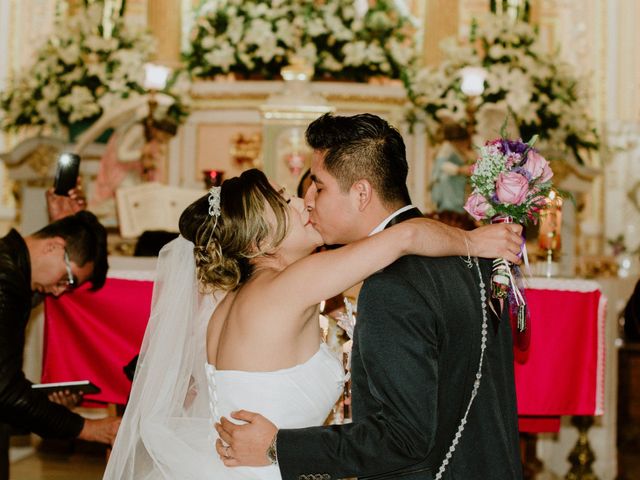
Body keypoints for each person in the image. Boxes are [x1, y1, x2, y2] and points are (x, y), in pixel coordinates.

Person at [104, 165, 521, 479]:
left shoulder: (233, 299)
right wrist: (472, 240)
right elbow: (405, 237)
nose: (304, 202)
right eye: (286, 203)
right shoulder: (290, 286)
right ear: (260, 243)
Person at [216, 113, 524, 479]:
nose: (307, 200)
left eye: (319, 186)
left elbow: (402, 439)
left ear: (361, 193)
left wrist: (276, 446)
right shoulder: (475, 261)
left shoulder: (390, 286)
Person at [0, 211, 119, 480]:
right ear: (54, 246)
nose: (58, 291)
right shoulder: (5, 281)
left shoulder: (10, 268)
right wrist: (91, 428)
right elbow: (4, 391)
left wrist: (43, 401)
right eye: (68, 280)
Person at [430, 121, 474, 214]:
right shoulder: (447, 147)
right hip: (449, 185)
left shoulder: (460, 148)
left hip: (458, 185)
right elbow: (442, 165)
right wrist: (460, 170)